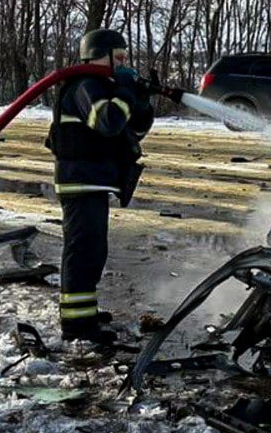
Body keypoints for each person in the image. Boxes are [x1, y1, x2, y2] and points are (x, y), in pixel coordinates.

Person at [45, 29, 174, 346]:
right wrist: (126, 92)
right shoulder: (85, 86)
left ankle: (85, 313)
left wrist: (141, 100)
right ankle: (76, 325)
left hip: (93, 182)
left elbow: (133, 129)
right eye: (118, 58)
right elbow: (108, 121)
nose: (124, 64)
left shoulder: (105, 87)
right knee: (83, 251)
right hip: (79, 182)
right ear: (99, 56)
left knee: (94, 250)